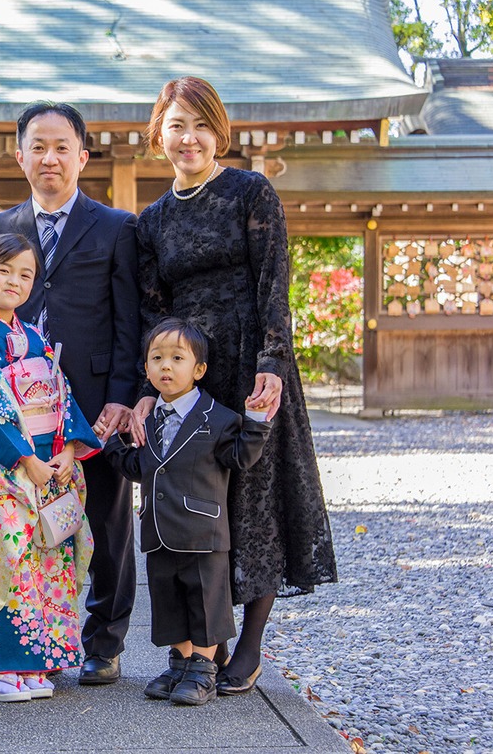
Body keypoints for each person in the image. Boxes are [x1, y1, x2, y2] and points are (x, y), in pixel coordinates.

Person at [135, 76, 338, 695]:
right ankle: (203, 641)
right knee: (200, 497)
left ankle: (248, 643)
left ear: (218, 131)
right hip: (186, 371)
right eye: (177, 125)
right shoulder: (153, 219)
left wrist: (272, 363)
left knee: (254, 497)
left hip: (250, 361)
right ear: (159, 136)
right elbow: (152, 308)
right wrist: (152, 384)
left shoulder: (251, 192)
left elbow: (275, 281)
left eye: (201, 125)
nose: (189, 138)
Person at [0, 101, 141, 685]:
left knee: (106, 521)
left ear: (82, 157)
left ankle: (105, 641)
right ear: (20, 157)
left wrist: (120, 398)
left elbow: (128, 321)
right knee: (26, 526)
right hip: (19, 409)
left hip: (93, 402)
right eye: (38, 147)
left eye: (61, 147)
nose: (50, 158)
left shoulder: (117, 227)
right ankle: (32, 642)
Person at [0, 233, 100, 702]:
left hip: (49, 468)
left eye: (25, 274)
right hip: (3, 472)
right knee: (10, 563)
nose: (14, 281)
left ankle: (40, 662)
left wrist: (67, 450)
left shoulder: (35, 338)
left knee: (50, 562)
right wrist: (25, 459)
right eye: (4, 270)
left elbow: (61, 394)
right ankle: (4, 665)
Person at [104, 318, 272, 706]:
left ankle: (203, 667)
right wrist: (111, 442)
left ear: (199, 369)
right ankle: (180, 662)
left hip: (202, 533)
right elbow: (139, 467)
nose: (166, 365)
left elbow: (241, 457)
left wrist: (257, 421)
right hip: (159, 530)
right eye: (157, 358)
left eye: (177, 358)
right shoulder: (147, 421)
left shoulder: (220, 418)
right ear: (146, 368)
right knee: (169, 600)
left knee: (205, 601)